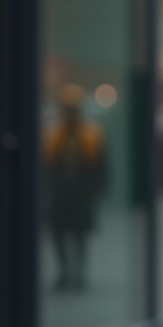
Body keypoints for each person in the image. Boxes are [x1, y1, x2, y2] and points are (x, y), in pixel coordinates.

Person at [43, 84, 107, 292]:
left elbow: (102, 165)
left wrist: (94, 189)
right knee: (59, 234)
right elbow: (46, 166)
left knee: (80, 235)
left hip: (81, 193)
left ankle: (78, 272)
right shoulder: (53, 135)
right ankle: (63, 271)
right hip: (61, 192)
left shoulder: (91, 134)